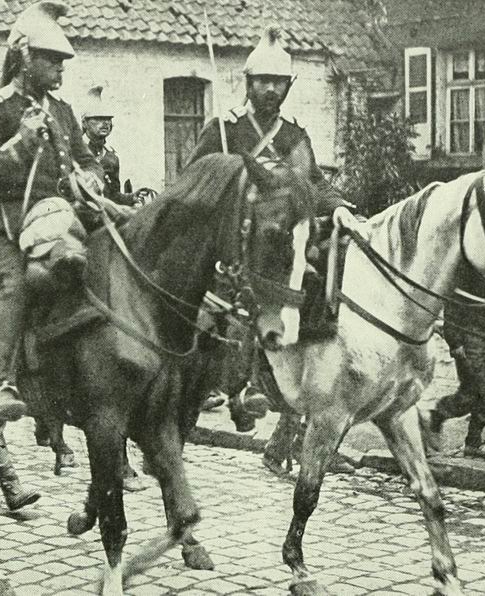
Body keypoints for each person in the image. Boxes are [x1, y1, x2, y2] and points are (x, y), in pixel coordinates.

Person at [184, 27, 357, 476]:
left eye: (278, 82)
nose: (270, 89)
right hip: (234, 240)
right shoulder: (225, 129)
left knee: (320, 302)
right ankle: (223, 389)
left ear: (288, 87)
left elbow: (316, 184)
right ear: (248, 81)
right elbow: (193, 183)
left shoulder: (295, 137)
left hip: (281, 246)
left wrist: (337, 208)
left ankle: (296, 428)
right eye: (262, 80)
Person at [0, 1, 111, 426]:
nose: (60, 70)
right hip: (4, 225)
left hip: (62, 217)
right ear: (25, 58)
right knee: (15, 282)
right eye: (51, 60)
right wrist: (21, 143)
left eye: (62, 62)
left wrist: (92, 179)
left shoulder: (62, 111)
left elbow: (88, 160)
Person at [423, 275, 485, 461]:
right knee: (474, 390)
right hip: (472, 334)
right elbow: (452, 303)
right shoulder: (472, 264)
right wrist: (455, 342)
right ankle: (435, 417)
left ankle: (473, 443)